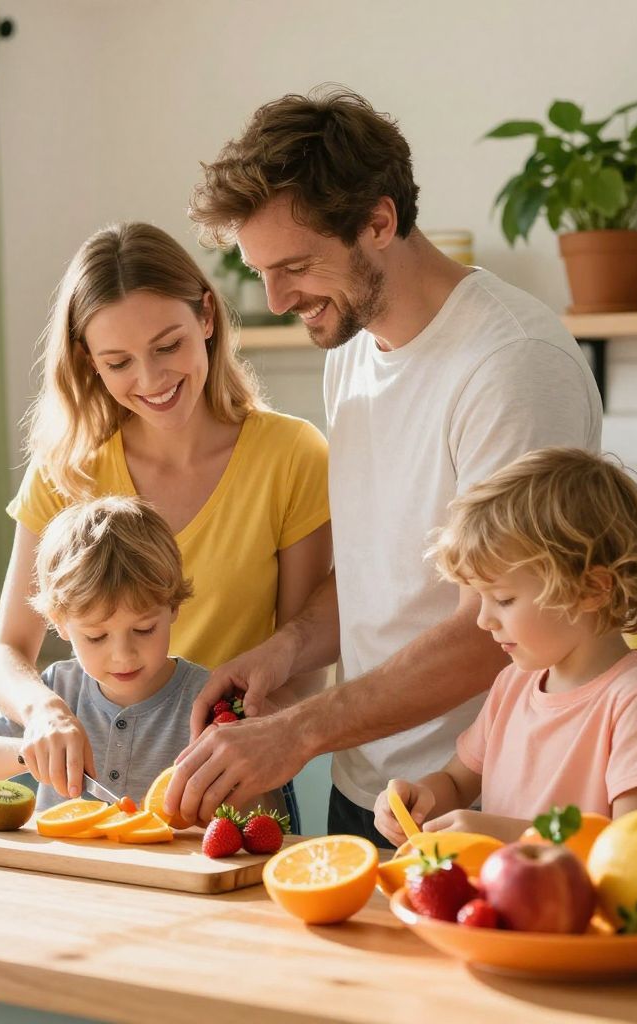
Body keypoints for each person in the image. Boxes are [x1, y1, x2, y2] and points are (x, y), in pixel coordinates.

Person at [166, 86, 602, 843]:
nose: (275, 300)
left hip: (485, 801)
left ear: (380, 221)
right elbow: (387, 574)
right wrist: (289, 649)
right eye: (258, 270)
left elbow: (492, 628)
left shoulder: (511, 366)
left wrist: (301, 729)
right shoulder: (355, 352)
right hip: (367, 790)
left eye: (295, 265)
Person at [0, 222, 332, 813]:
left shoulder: (291, 455)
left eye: (168, 346)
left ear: (208, 318)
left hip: (231, 789)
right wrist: (42, 712)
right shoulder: (66, 470)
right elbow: (6, 652)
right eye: (118, 362)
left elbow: (303, 661)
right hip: (96, 800)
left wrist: (230, 739)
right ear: (89, 363)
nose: (152, 380)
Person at [373, 447, 637, 846]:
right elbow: (457, 783)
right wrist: (421, 800)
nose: (483, 619)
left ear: (592, 589)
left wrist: (507, 836)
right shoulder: (513, 684)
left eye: (503, 599)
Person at [0, 496, 280, 813]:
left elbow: (268, 812)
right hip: (65, 874)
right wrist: (30, 750)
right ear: (60, 623)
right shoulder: (60, 687)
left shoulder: (208, 701)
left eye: (144, 629)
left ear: (174, 606)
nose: (123, 655)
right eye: (96, 636)